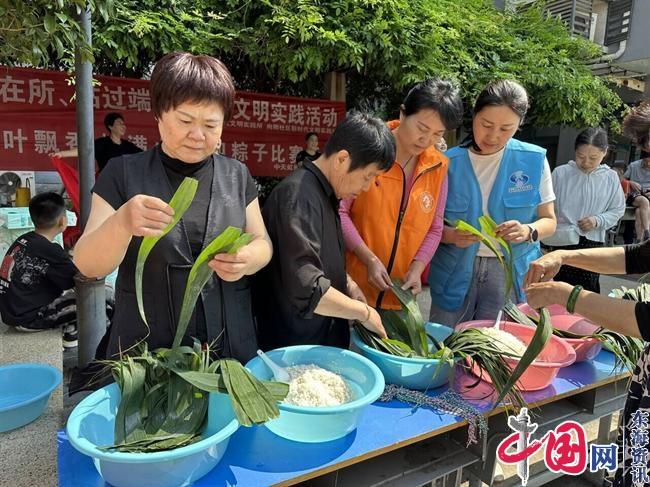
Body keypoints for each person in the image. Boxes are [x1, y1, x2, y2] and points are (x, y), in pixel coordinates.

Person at [73, 52, 273, 363]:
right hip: (148, 351)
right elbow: (87, 264)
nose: (197, 135)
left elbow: (263, 243)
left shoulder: (237, 175)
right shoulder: (123, 173)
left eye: (211, 124)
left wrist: (248, 260)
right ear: (159, 113)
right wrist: (122, 223)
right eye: (185, 120)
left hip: (228, 347)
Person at [525, 100, 650, 487]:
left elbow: (645, 321)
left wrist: (567, 296)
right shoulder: (561, 174)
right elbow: (637, 256)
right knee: (635, 458)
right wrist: (565, 253)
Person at [255, 112, 395, 349]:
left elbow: (321, 257)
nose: (367, 187)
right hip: (294, 347)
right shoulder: (299, 197)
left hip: (321, 338)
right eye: (368, 176)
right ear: (342, 159)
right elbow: (308, 289)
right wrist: (365, 313)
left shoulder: (326, 193)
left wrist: (348, 284)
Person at [427, 79, 557, 327]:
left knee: (497, 345)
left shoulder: (534, 160)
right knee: (444, 340)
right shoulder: (446, 162)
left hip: (509, 272)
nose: (493, 136)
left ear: (519, 125)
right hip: (455, 268)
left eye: (506, 128)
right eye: (486, 124)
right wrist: (450, 235)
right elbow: (426, 225)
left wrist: (528, 230)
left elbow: (549, 221)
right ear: (474, 115)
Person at [339, 78, 463, 309]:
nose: (426, 140)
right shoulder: (369, 147)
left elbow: (435, 228)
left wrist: (417, 268)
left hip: (400, 297)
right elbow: (341, 211)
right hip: (352, 291)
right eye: (422, 129)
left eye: (438, 134)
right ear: (403, 113)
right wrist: (369, 259)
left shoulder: (438, 166)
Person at [541, 128, 624, 292]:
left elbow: (617, 209)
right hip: (561, 240)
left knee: (586, 292)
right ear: (575, 151)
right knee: (556, 288)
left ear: (605, 152)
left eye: (593, 158)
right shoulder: (561, 173)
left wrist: (597, 220)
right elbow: (547, 206)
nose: (586, 162)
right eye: (581, 156)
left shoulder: (610, 177)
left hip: (592, 241)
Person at [0, 193, 79, 348]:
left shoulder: (24, 240)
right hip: (30, 320)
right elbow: (77, 281)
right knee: (104, 298)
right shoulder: (52, 251)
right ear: (63, 220)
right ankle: (72, 333)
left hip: (10, 313)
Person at [52, 112, 142, 172]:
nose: (123, 126)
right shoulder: (102, 143)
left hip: (124, 185)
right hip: (107, 184)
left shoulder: (128, 146)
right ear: (110, 126)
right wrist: (62, 154)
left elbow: (144, 155)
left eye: (124, 124)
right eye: (119, 123)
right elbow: (85, 150)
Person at [623, 150, 650, 242]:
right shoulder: (634, 165)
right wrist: (630, 182)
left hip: (647, 193)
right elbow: (621, 179)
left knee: (639, 212)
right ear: (642, 159)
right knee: (644, 202)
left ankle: (639, 240)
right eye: (646, 161)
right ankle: (647, 232)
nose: (648, 164)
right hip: (634, 194)